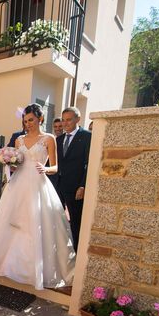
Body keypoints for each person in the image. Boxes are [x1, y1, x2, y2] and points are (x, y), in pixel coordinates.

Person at [0, 103, 75, 290]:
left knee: (35, 224)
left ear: (40, 119)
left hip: (38, 183)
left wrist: (46, 168)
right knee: (11, 222)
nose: (27, 123)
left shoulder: (49, 139)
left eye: (31, 120)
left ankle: (32, 271)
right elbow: (17, 164)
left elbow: (56, 167)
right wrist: (10, 164)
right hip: (18, 184)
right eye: (25, 120)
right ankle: (6, 265)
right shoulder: (19, 140)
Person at [56, 106, 91, 253]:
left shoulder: (87, 137)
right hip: (57, 187)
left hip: (76, 189)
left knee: (76, 223)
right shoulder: (58, 139)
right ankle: (59, 251)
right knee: (56, 221)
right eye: (63, 120)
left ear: (78, 119)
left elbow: (89, 163)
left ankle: (77, 253)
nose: (65, 123)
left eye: (68, 120)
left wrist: (83, 186)